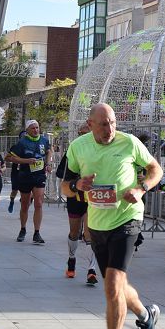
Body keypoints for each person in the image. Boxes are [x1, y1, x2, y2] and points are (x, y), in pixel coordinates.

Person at [61, 103, 163, 329]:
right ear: (90, 124)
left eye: (113, 123)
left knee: (112, 286)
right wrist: (76, 186)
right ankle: (145, 315)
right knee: (115, 286)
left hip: (127, 219)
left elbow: (156, 170)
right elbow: (64, 186)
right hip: (97, 224)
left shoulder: (129, 143)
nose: (110, 129)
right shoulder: (78, 147)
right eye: (104, 124)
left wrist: (141, 189)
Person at [56, 122, 98, 284]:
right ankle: (71, 258)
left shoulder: (99, 151)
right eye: (81, 134)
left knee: (89, 234)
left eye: (86, 133)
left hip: (92, 197)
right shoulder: (73, 150)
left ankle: (91, 270)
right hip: (74, 196)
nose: (83, 136)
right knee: (74, 232)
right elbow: (61, 172)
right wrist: (76, 179)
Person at [7, 119, 52, 244]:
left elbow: (49, 151)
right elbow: (10, 157)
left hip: (39, 175)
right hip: (25, 175)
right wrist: (26, 161)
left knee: (38, 203)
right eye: (33, 128)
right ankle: (23, 229)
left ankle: (37, 233)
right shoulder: (22, 143)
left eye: (37, 127)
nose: (36, 130)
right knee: (25, 205)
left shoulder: (44, 140)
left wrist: (48, 163)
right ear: (27, 130)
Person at [6, 130, 26, 213]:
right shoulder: (15, 147)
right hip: (16, 172)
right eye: (23, 137)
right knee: (15, 190)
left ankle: (24, 208)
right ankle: (12, 201)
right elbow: (7, 158)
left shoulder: (31, 147)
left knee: (26, 193)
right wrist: (14, 159)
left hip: (26, 172)